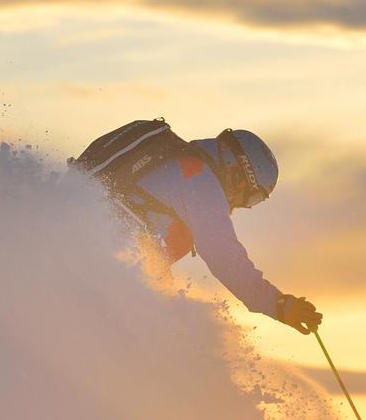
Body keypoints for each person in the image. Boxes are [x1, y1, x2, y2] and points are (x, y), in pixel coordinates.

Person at [80, 123, 323, 335]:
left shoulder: (180, 164)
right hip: (98, 248)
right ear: (239, 174)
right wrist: (277, 304)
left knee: (180, 243)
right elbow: (224, 256)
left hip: (94, 234)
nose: (240, 206)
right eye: (250, 199)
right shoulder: (201, 181)